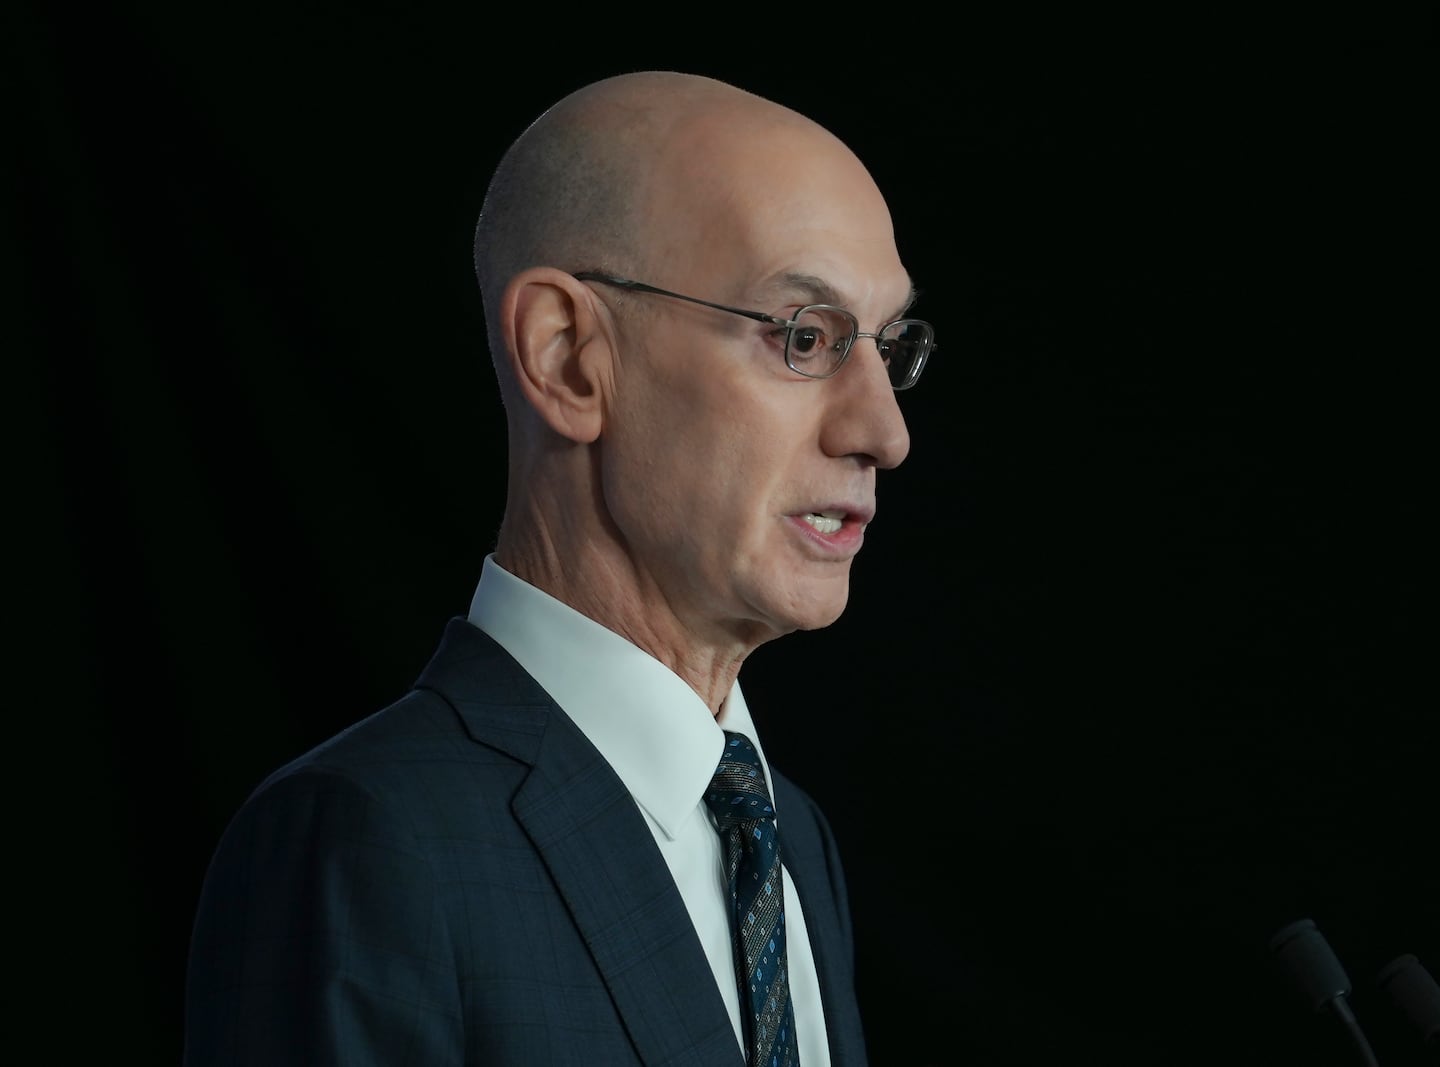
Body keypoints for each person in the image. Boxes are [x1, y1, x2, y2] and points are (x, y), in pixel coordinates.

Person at [182, 69, 934, 1066]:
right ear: (567, 355)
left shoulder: (793, 840)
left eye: (888, 349)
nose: (884, 432)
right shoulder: (365, 838)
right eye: (804, 336)